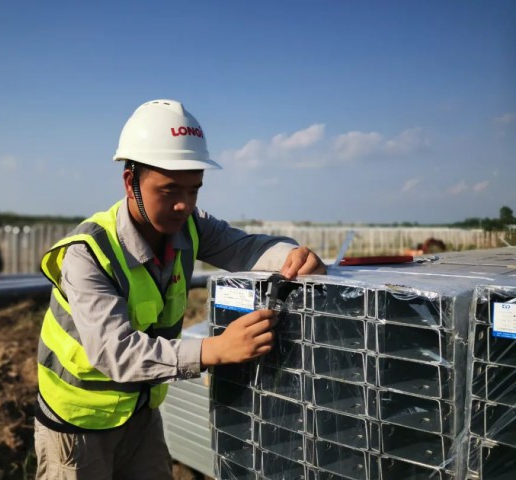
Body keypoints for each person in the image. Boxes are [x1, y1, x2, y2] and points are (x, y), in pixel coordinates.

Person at [34, 99, 326, 479]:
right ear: (130, 182)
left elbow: (246, 248)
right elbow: (115, 353)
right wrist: (215, 350)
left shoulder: (191, 226)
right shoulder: (88, 253)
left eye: (194, 190)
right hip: (77, 424)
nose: (183, 206)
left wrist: (293, 257)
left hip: (140, 412)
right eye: (170, 190)